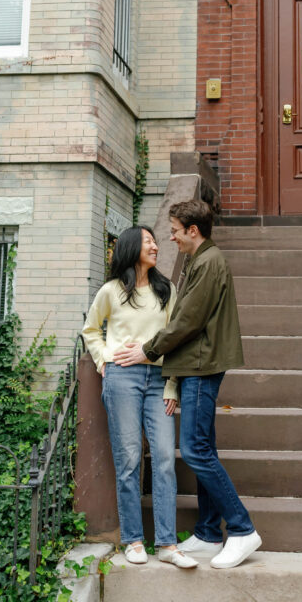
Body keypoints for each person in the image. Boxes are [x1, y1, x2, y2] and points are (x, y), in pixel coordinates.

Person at [115, 200, 262, 569]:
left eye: (176, 229)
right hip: (198, 363)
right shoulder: (202, 261)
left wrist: (148, 351)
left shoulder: (209, 262)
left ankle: (242, 529)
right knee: (204, 446)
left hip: (201, 365)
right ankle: (211, 532)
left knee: (195, 451)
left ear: (192, 231)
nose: (171, 236)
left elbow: (187, 322)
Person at [82, 225, 198, 569]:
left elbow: (175, 340)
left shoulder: (167, 290)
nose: (156, 247)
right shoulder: (111, 291)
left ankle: (166, 544)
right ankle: (133, 540)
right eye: (149, 241)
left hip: (158, 379)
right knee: (129, 459)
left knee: (164, 457)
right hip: (122, 380)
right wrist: (104, 362)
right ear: (132, 248)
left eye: (155, 241)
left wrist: (173, 384)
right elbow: (91, 329)